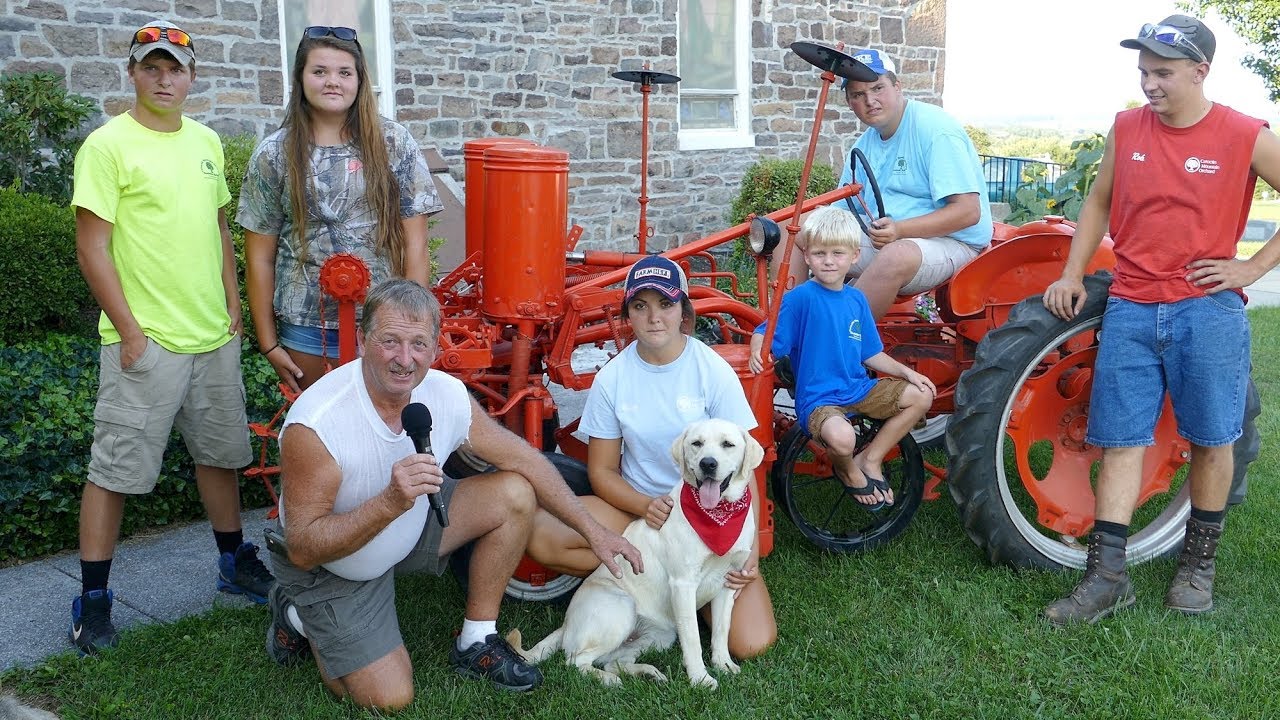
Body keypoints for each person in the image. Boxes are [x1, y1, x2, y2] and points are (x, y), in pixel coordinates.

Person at [265, 279, 641, 710]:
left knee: (514, 491)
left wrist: (594, 532)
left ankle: (476, 640)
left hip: (407, 527)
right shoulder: (316, 424)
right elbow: (303, 547)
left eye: (419, 344)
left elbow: (527, 461)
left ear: (435, 346)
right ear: (363, 341)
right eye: (389, 341)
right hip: (335, 565)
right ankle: (297, 614)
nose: (404, 360)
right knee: (387, 698)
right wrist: (390, 501)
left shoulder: (444, 393)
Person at [1042, 14, 1280, 625]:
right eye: (1144, 71)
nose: (1149, 84)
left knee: (1212, 439)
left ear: (1201, 71)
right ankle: (1107, 576)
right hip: (1130, 306)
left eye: (1163, 73)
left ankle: (1197, 566)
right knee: (1119, 439)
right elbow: (1097, 201)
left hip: (1208, 311)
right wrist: (1071, 273)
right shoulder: (1127, 128)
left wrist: (1251, 268)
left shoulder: (1246, 133)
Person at [68, 20, 274, 654]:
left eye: (176, 68)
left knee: (221, 456)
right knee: (114, 470)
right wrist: (128, 330)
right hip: (146, 340)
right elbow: (91, 244)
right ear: (132, 72)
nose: (164, 78)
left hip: (212, 338)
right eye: (152, 67)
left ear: (192, 76)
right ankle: (94, 601)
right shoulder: (108, 146)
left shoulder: (206, 141)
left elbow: (218, 230)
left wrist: (234, 306)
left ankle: (232, 562)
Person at [525, 255, 778, 660]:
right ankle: (645, 592)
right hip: (643, 515)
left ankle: (684, 590)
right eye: (640, 306)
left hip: (711, 515)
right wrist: (646, 506)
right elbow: (602, 470)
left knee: (752, 642)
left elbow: (744, 462)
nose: (654, 317)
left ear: (684, 312)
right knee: (540, 532)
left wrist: (750, 546)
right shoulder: (614, 377)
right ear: (628, 315)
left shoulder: (711, 370)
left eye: (665, 304)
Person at [238, 26, 440, 393]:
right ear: (301, 78)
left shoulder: (394, 143)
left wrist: (412, 330)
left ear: (360, 81)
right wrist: (267, 342)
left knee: (384, 430)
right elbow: (260, 257)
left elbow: (415, 245)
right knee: (320, 429)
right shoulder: (274, 153)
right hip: (305, 328)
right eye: (319, 71)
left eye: (344, 72)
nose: (333, 82)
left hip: (385, 327)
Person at [775, 48, 993, 319]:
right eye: (858, 94)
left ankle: (838, 345)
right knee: (791, 228)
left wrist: (900, 229)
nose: (870, 101)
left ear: (898, 86)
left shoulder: (935, 130)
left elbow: (968, 212)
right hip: (887, 237)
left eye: (878, 88)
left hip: (952, 243)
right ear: (849, 101)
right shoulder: (865, 143)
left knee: (895, 255)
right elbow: (845, 212)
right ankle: (785, 327)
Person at [752, 206, 935, 509]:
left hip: (858, 390)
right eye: (820, 253)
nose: (828, 261)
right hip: (820, 398)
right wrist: (757, 346)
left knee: (922, 395)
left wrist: (907, 373)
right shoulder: (801, 298)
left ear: (853, 256)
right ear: (807, 256)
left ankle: (870, 459)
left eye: (837, 253)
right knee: (843, 438)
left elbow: (871, 353)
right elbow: (766, 332)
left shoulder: (856, 299)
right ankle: (847, 469)